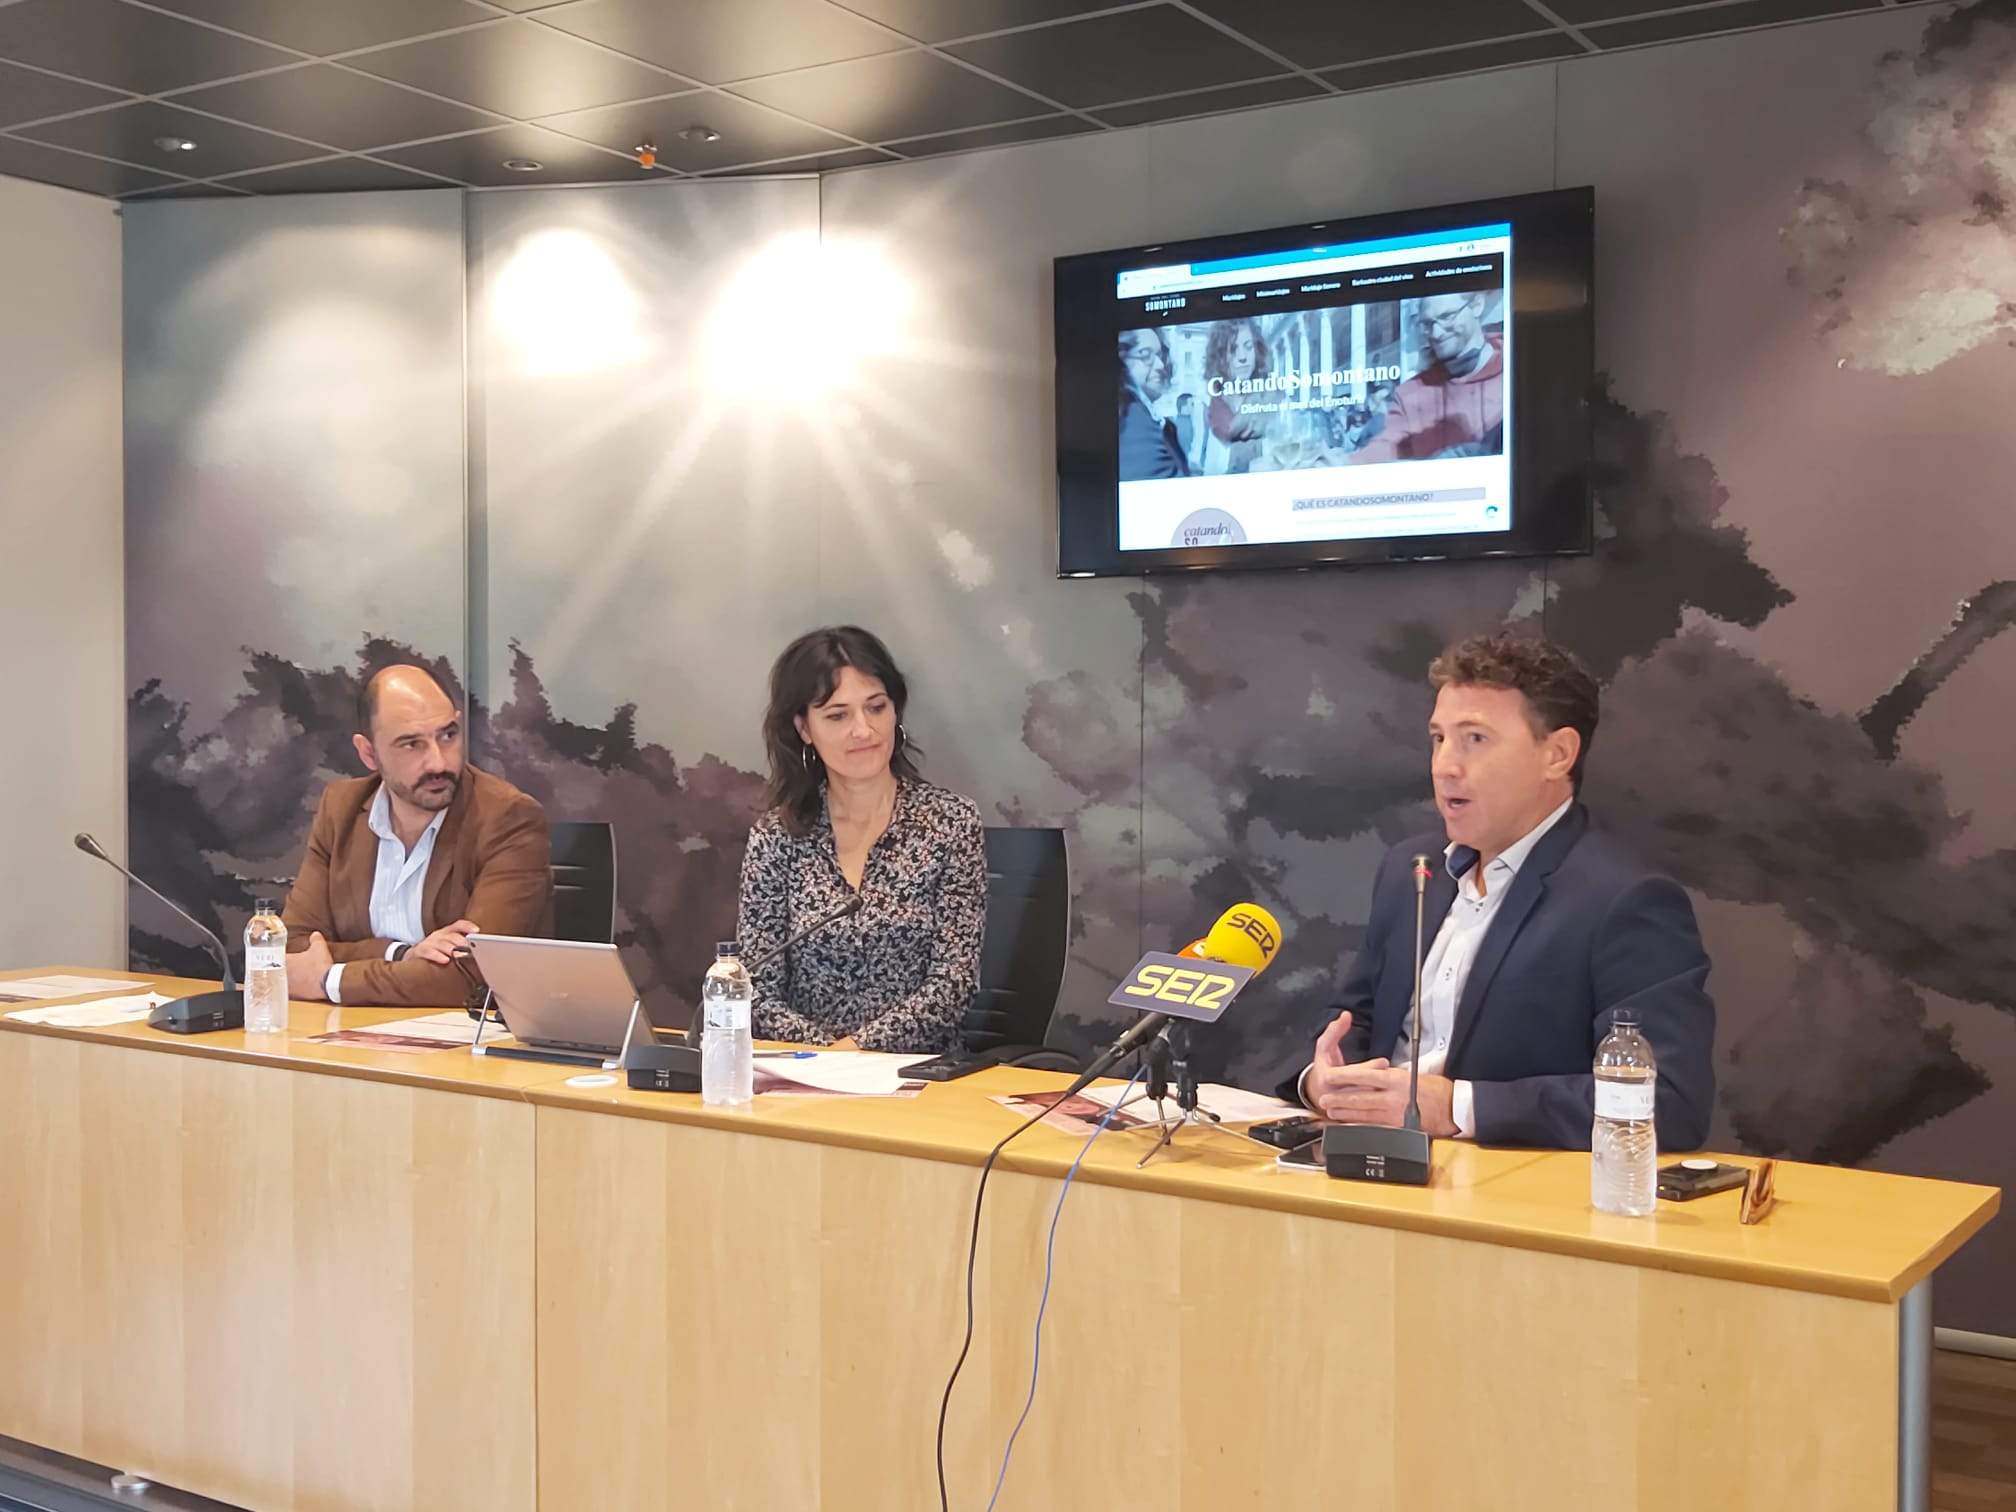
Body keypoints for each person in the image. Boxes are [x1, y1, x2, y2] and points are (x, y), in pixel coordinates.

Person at [1274, 633, 1714, 1150]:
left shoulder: (1626, 901)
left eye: (1474, 739)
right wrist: (1324, 1078)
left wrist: (1457, 1108)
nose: (1444, 766)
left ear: (1557, 754)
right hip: (1364, 1166)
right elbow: (1355, 1018)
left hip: (1502, 1198)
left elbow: (1670, 1102)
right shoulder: (1410, 871)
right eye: (1439, 738)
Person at [737, 626, 985, 1053]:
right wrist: (822, 1056)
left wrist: (855, 1052)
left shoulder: (951, 823)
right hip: (801, 1071)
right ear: (804, 728)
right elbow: (755, 986)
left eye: (876, 708)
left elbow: (953, 982)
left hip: (915, 1076)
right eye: (837, 715)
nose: (864, 730)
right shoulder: (777, 836)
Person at [281, 664, 553, 1007]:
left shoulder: (508, 818)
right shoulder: (341, 809)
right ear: (369, 753)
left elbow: (473, 974)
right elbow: (292, 946)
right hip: (353, 1036)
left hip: (464, 1047)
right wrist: (400, 954)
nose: (438, 762)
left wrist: (328, 979)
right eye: (411, 744)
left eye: (448, 735)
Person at [1350, 292, 1504, 464]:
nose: (1436, 334)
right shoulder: (1409, 394)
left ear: (1477, 305)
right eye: (1427, 324)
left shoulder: (1516, 369)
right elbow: (1386, 446)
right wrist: (1345, 465)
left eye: (1447, 316)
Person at [1116, 328, 1190, 481]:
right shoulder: (1130, 419)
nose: (1161, 365)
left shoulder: (1147, 418)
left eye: (1160, 355)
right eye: (1145, 355)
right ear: (1121, 361)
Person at [1202, 317, 1270, 473]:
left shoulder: (1274, 400)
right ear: (1220, 357)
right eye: (1233, 349)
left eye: (1248, 347)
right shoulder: (1211, 410)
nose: (1242, 357)